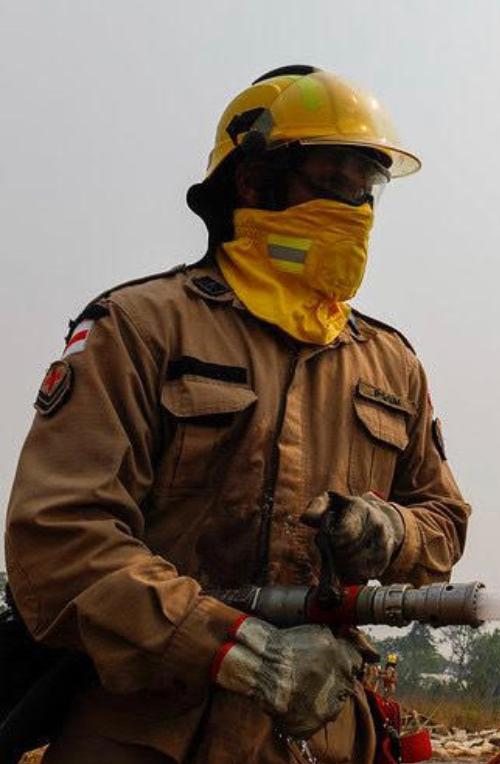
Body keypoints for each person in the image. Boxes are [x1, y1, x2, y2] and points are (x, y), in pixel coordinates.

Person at [3, 65, 470, 763]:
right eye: (333, 181)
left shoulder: (389, 364)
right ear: (253, 184)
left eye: (367, 189)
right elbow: (59, 541)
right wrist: (233, 648)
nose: (356, 208)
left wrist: (391, 532)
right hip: (147, 733)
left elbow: (444, 522)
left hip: (317, 738)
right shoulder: (143, 328)